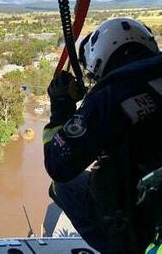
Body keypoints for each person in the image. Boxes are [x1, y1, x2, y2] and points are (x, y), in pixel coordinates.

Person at [43, 18, 162, 253]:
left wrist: (60, 111)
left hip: (147, 228)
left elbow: (58, 164)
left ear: (99, 61)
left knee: (63, 186)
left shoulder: (111, 95)